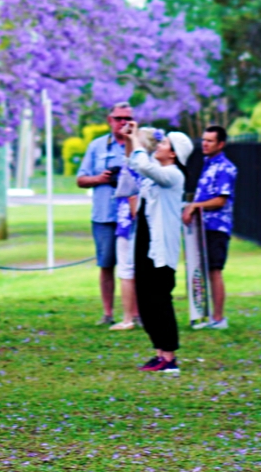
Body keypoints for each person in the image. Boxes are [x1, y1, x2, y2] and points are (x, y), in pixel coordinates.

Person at [127, 125, 191, 374]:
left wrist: (137, 142)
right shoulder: (157, 174)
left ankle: (170, 356)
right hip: (146, 242)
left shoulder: (174, 175)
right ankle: (158, 352)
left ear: (173, 154)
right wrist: (133, 140)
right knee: (145, 300)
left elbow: (143, 165)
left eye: (164, 144)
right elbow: (137, 164)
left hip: (161, 249)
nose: (159, 146)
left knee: (160, 299)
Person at [76, 104, 139, 326]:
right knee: (106, 264)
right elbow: (80, 179)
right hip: (104, 215)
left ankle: (135, 314)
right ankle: (108, 312)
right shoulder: (96, 147)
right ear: (109, 120)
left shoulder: (138, 145)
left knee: (133, 265)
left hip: (131, 216)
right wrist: (99, 179)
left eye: (128, 119)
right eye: (119, 118)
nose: (123, 122)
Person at [184, 125, 235, 330]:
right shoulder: (207, 164)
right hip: (202, 226)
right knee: (203, 270)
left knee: (215, 270)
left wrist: (195, 205)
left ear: (220, 144)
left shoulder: (226, 168)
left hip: (217, 227)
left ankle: (219, 318)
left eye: (210, 141)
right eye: (203, 140)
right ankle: (205, 316)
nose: (204, 144)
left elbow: (221, 200)